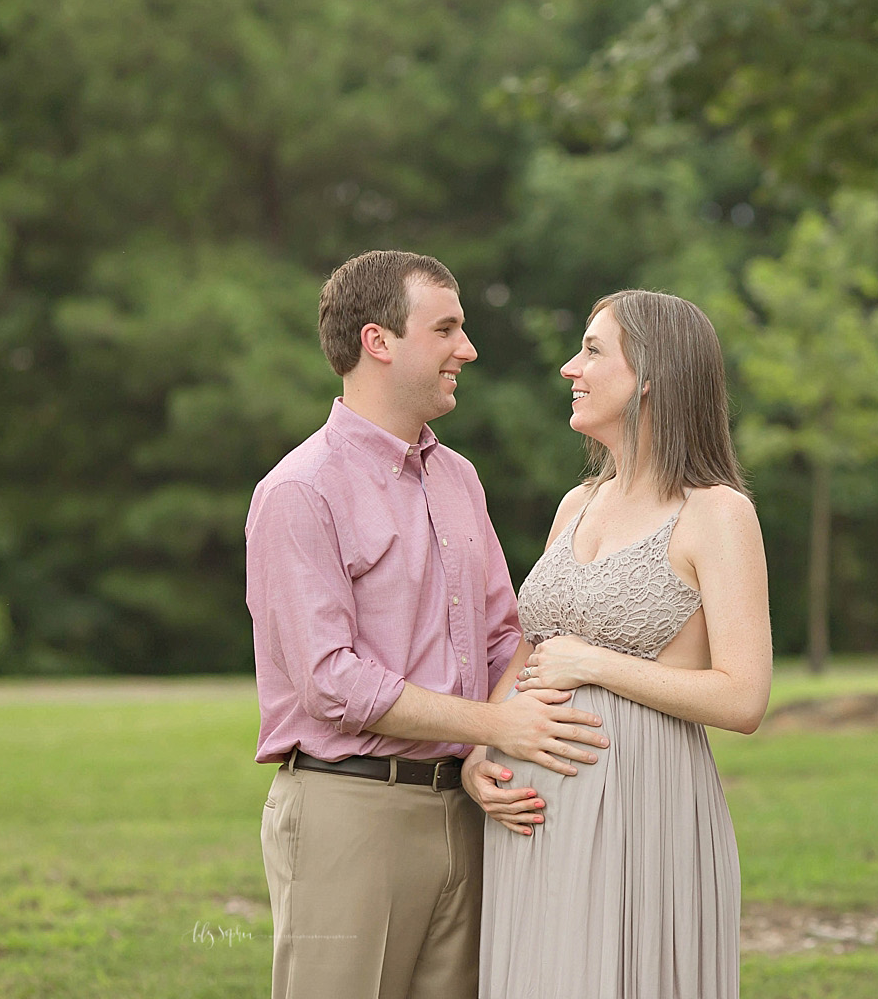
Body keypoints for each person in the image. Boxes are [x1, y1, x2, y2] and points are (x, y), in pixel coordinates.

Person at [245, 249, 610, 999]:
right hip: (350, 812)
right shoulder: (299, 491)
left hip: (470, 807)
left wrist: (493, 743)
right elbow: (330, 683)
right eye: (446, 328)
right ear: (379, 341)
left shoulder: (459, 477)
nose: (466, 350)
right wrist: (494, 725)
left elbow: (504, 638)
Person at [463, 289, 773, 998]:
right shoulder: (577, 503)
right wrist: (480, 748)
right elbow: (530, 645)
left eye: (593, 351)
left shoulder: (717, 514)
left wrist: (596, 662)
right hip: (531, 807)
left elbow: (744, 696)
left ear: (654, 376)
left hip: (641, 807)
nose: (572, 368)